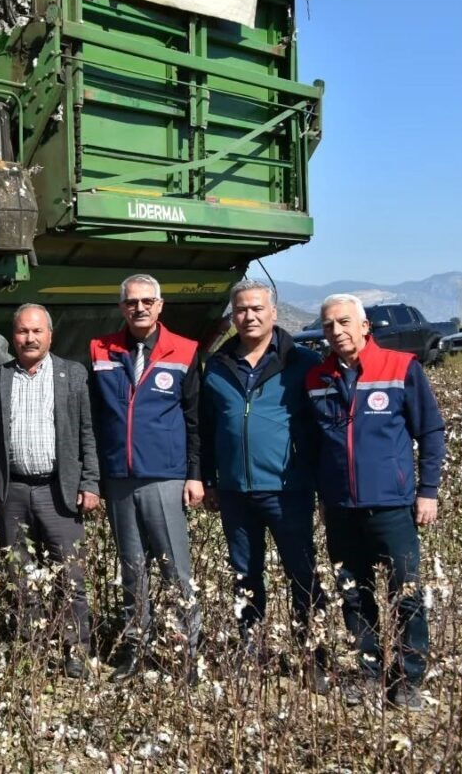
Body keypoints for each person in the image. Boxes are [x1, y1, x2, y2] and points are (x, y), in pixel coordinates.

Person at [306, 293, 446, 710]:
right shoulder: (317, 378)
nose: (337, 331)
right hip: (341, 507)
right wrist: (324, 496)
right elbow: (316, 445)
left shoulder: (401, 368)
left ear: (365, 326)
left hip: (393, 504)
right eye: (329, 325)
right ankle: (367, 673)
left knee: (405, 593)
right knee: (353, 592)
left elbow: (432, 432)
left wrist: (428, 492)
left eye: (345, 322)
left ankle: (408, 679)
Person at [200, 280, 328, 691]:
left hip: (287, 489)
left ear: (274, 313)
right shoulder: (217, 367)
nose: (249, 316)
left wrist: (321, 481)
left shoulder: (303, 362)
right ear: (232, 316)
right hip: (235, 492)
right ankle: (249, 654)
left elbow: (323, 428)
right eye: (241, 310)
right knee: (244, 574)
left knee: (301, 573)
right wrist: (209, 480)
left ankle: (314, 657)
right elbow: (203, 429)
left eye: (257, 309)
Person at [0, 304, 100, 678]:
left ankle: (76, 651)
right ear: (14, 336)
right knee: (22, 579)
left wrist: (90, 482)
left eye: (37, 331)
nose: (30, 338)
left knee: (70, 578)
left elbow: (88, 433)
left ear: (50, 336)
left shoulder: (72, 375)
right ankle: (33, 651)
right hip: (13, 492)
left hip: (60, 493)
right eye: (23, 332)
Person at [89, 274, 203, 683]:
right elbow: (94, 418)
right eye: (131, 302)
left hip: (164, 476)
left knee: (176, 569)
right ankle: (136, 649)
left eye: (147, 301)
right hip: (119, 476)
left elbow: (194, 419)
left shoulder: (185, 350)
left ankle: (185, 653)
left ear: (160, 305)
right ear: (122, 307)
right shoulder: (100, 349)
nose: (139, 308)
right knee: (132, 569)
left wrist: (194, 474)